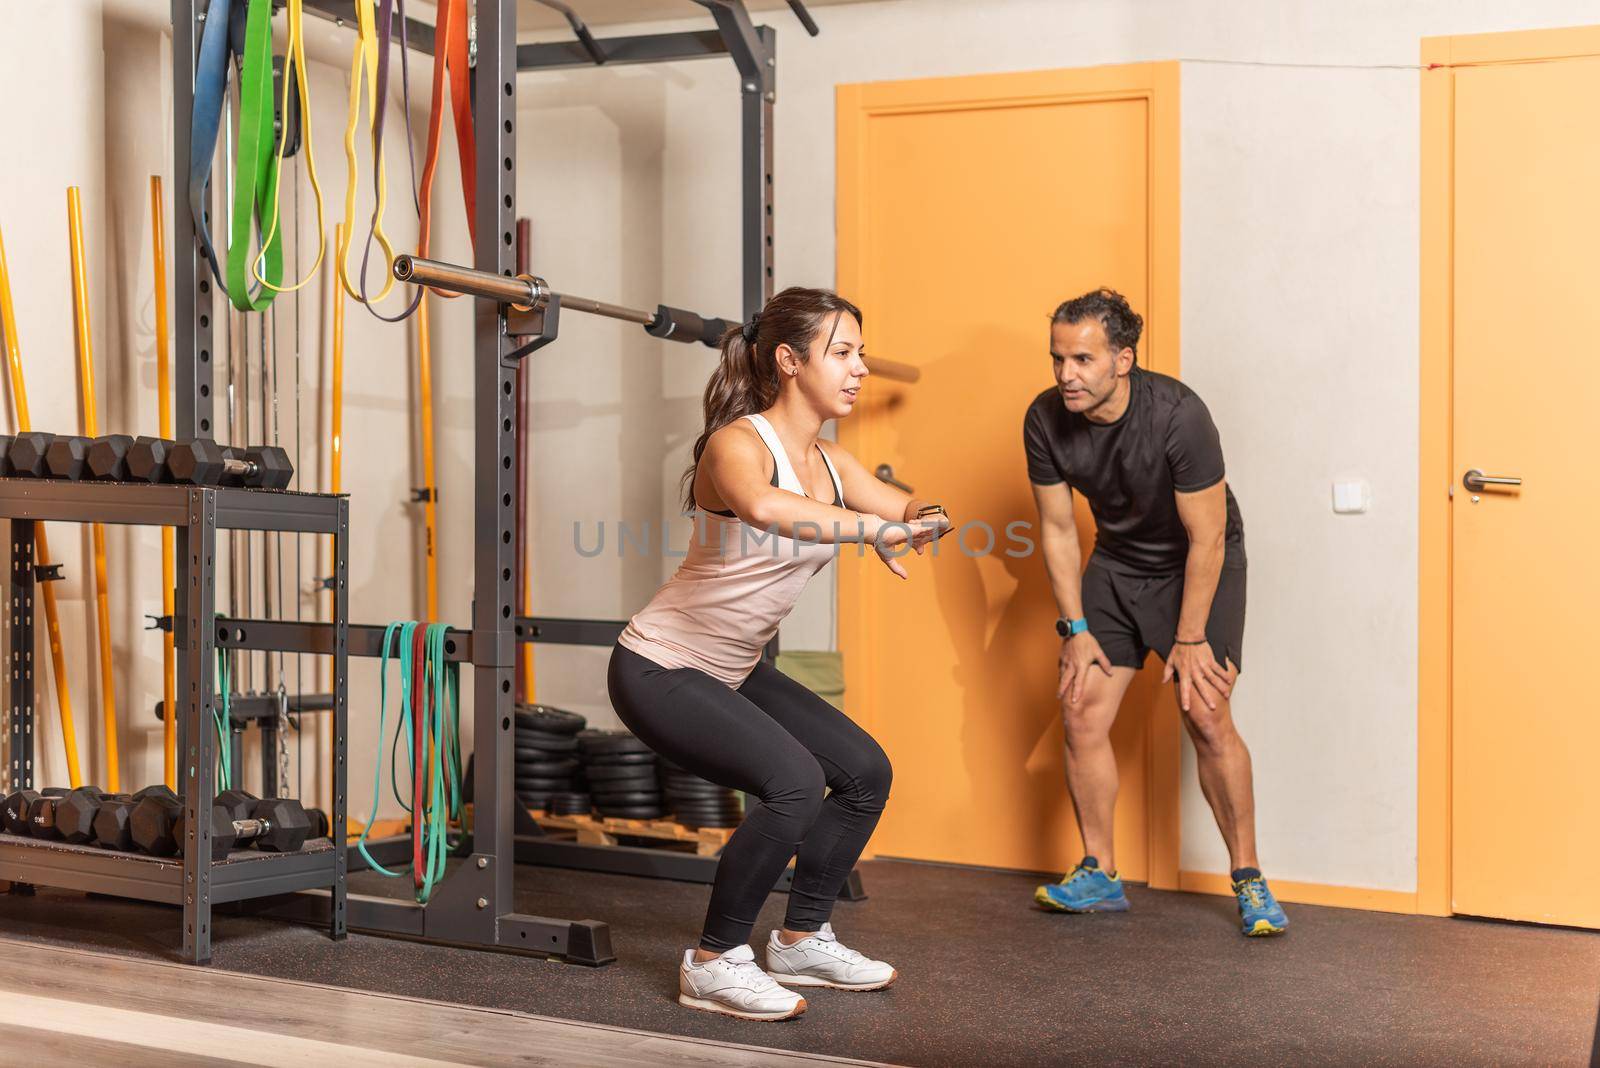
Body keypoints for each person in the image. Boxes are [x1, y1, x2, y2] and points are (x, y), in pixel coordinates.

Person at [608, 286, 951, 1021]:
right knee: (794, 780)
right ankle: (712, 961)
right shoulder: (738, 443)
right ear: (790, 361)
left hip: (734, 670)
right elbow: (766, 508)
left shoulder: (832, 463)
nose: (860, 369)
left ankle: (799, 938)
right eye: (843, 353)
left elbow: (911, 506)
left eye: (860, 352)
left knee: (864, 772)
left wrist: (922, 523)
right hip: (659, 666)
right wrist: (868, 531)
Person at [1023, 288, 1288, 937]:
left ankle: (1250, 879)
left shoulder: (1177, 414)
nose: (1066, 374)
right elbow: (1058, 530)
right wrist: (1076, 628)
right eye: (1058, 358)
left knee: (1205, 711)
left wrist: (1192, 636)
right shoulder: (1045, 419)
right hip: (1117, 564)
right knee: (1080, 703)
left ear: (1123, 358)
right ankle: (1100, 874)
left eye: (1082, 359)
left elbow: (1207, 536)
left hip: (1197, 563)